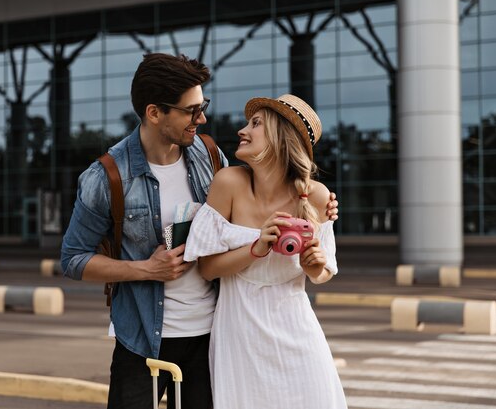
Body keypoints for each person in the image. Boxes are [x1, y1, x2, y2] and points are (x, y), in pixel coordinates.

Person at [61, 54, 339, 409]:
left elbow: (263, 197)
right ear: (154, 112)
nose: (203, 118)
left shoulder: (209, 157)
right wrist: (146, 268)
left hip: (212, 337)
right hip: (144, 338)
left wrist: (320, 206)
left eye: (202, 106)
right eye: (192, 110)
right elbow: (72, 259)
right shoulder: (108, 177)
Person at [184, 94, 347, 409]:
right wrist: (257, 248)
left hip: (298, 335)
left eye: (255, 124)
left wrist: (314, 265)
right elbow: (206, 268)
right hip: (239, 337)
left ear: (280, 138)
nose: (242, 131)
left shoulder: (316, 196)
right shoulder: (228, 183)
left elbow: (324, 272)